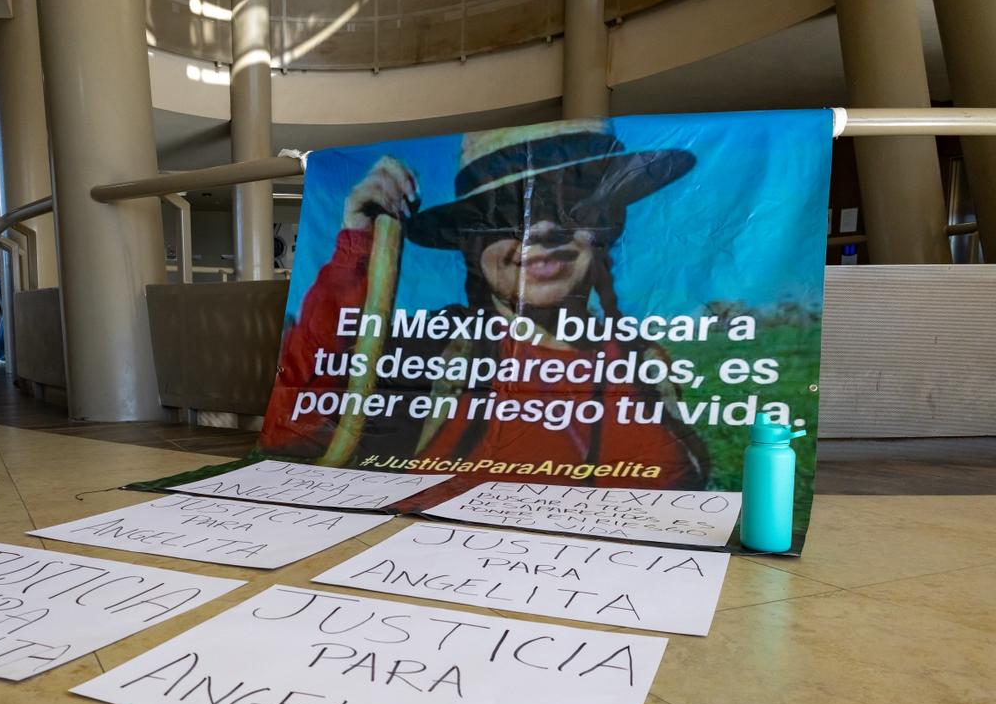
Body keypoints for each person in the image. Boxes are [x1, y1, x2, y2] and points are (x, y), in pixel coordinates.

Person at [260, 121, 709, 489]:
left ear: (607, 227)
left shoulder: (645, 365)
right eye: (505, 213)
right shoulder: (419, 353)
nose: (542, 229)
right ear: (470, 244)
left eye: (573, 204)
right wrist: (358, 250)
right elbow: (295, 426)